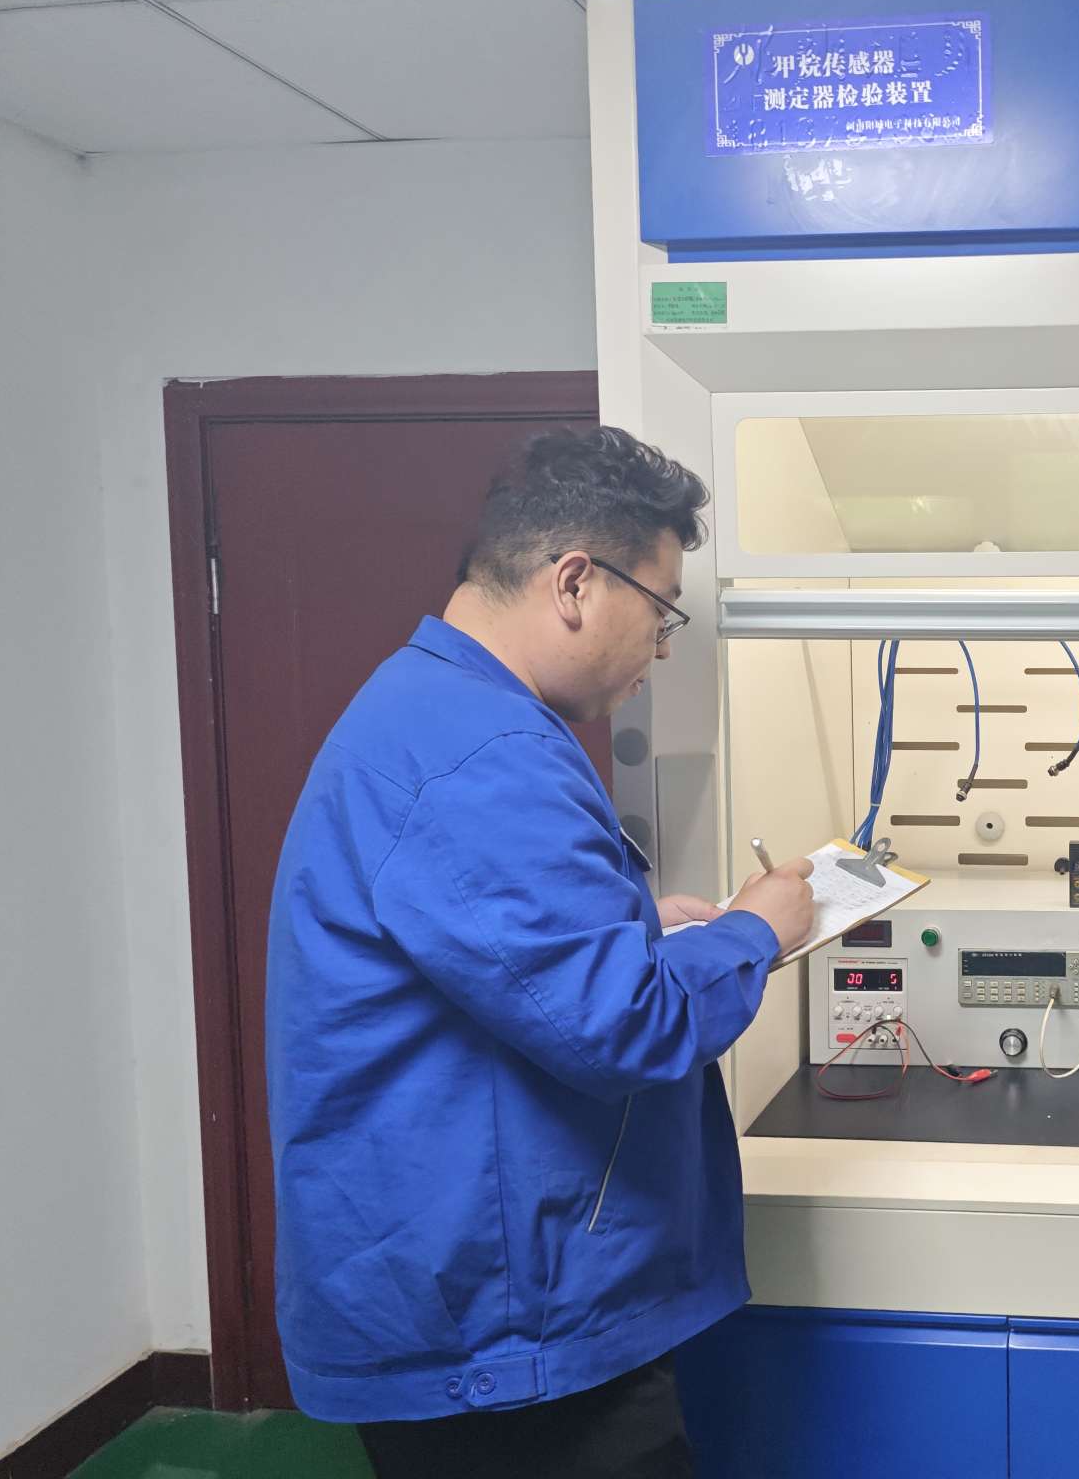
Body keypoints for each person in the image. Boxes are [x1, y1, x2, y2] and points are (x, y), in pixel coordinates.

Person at [267, 426, 815, 1478]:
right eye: (661, 613)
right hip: (502, 1333)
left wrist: (637, 925)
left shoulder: (432, 709)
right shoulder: (484, 754)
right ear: (575, 583)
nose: (662, 651)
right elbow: (622, 1025)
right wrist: (757, 931)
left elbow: (495, 958)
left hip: (473, 1294)